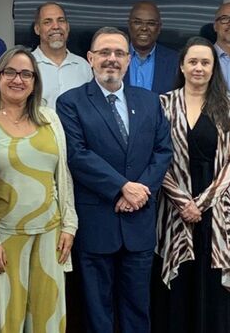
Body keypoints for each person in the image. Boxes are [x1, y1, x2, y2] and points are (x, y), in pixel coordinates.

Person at [56, 27, 172, 333]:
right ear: (90, 58)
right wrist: (122, 187)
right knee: (97, 312)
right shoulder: (71, 102)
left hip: (139, 223)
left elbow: (163, 151)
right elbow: (77, 155)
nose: (112, 59)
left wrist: (140, 193)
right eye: (104, 52)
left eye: (119, 53)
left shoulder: (149, 102)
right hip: (97, 223)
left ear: (129, 60)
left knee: (137, 309)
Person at [0, 46, 78, 333]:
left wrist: (69, 224)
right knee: (3, 321)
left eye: (26, 74)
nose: (17, 80)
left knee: (48, 321)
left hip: (50, 237)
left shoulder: (50, 119)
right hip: (3, 240)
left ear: (35, 81)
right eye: (10, 72)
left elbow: (63, 175)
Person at [151, 37, 230, 333]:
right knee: (178, 284)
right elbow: (156, 158)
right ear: (182, 66)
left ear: (214, 67)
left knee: (212, 282)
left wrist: (201, 204)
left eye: (205, 62)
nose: (199, 68)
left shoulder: (226, 104)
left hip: (215, 209)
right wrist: (183, 202)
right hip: (174, 206)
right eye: (193, 61)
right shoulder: (164, 103)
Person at [31, 2, 92, 109]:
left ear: (68, 27)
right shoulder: (27, 64)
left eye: (61, 20)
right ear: (37, 29)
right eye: (47, 22)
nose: (56, 26)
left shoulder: (83, 66)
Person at [123, 1, 179, 94]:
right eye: (137, 22)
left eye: (151, 23)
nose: (144, 28)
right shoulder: (114, 58)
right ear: (129, 25)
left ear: (159, 28)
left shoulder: (175, 61)